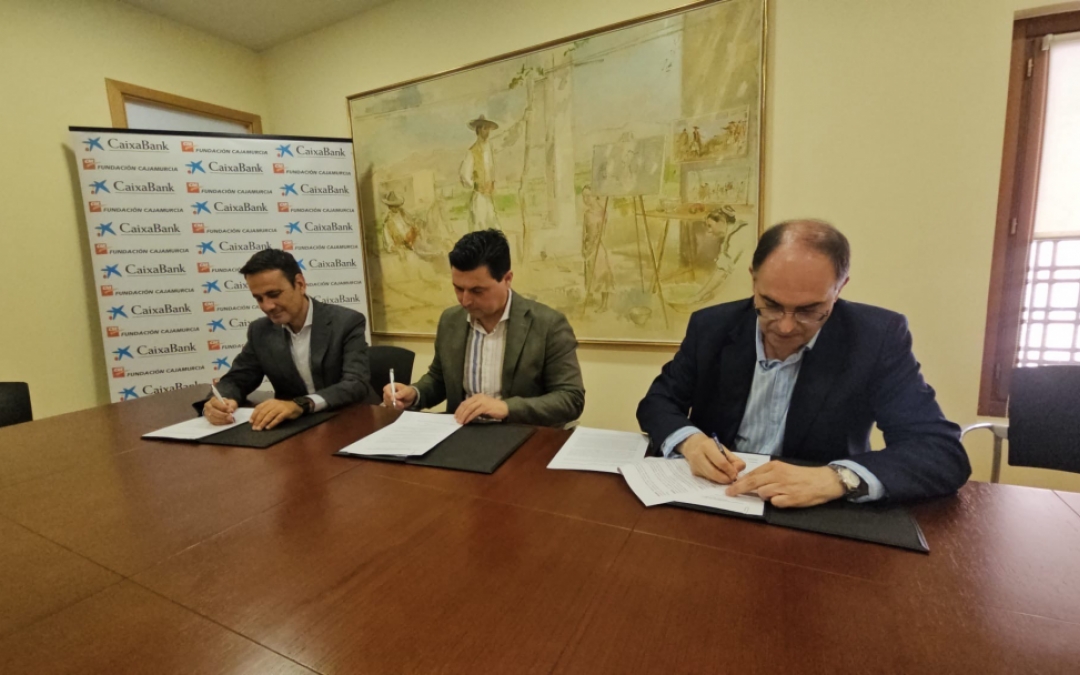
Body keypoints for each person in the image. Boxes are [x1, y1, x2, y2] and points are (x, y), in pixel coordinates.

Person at [637, 219, 971, 506]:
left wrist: (838, 478)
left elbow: (940, 451)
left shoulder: (876, 337)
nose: (785, 326)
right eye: (770, 304)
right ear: (753, 279)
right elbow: (658, 402)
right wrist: (690, 441)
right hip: (716, 499)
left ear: (839, 288)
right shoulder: (712, 326)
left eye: (809, 310)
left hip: (815, 513)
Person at [383, 229, 585, 427]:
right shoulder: (450, 320)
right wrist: (414, 394)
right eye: (458, 288)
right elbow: (439, 380)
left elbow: (571, 398)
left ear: (507, 279)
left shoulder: (548, 325)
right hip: (461, 433)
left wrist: (506, 408)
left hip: (520, 435)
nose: (465, 300)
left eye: (477, 291)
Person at [200, 249, 378, 430]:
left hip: (352, 420)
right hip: (297, 428)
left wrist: (301, 404)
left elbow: (355, 384)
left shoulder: (346, 322)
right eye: (259, 298)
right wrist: (219, 401)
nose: (267, 306)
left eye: (274, 294)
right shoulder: (260, 331)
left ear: (300, 284)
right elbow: (237, 379)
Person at [689, 206, 750, 304]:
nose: (709, 230)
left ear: (722, 222)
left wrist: (698, 296)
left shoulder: (736, 237)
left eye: (710, 225)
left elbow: (721, 272)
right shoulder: (734, 232)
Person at [459, 115, 500, 232]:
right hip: (479, 198)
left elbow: (490, 169)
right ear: (478, 130)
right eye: (484, 128)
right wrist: (476, 185)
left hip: (488, 197)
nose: (487, 132)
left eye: (488, 129)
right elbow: (464, 175)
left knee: (493, 227)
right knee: (479, 227)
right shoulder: (472, 152)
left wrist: (492, 183)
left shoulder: (489, 149)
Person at [581, 185, 614, 312]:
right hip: (588, 247)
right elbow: (584, 232)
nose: (585, 199)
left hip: (598, 247)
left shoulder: (602, 212)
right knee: (590, 274)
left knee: (601, 274)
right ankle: (590, 297)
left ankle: (604, 304)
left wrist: (594, 245)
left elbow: (602, 233)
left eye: (588, 196)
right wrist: (583, 248)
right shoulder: (587, 214)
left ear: (595, 196)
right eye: (584, 196)